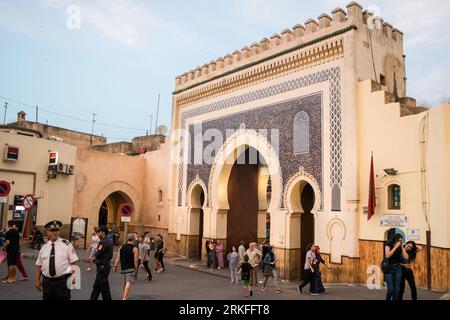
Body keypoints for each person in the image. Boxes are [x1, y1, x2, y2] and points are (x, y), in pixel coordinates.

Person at [35, 220, 79, 300]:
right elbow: (39, 264)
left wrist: (74, 277)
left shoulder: (66, 244)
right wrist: (37, 280)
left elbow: (74, 261)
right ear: (48, 232)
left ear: (59, 231)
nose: (55, 232)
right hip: (47, 282)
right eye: (52, 231)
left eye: (56, 230)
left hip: (62, 281)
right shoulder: (44, 247)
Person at [89, 225, 114, 300]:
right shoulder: (105, 241)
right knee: (97, 287)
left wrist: (95, 259)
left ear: (103, 233)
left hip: (103, 267)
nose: (97, 233)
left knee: (104, 289)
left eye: (98, 232)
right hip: (102, 266)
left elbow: (97, 253)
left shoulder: (105, 242)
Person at [384, 233, 409, 300]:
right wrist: (395, 247)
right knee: (391, 290)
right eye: (399, 240)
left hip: (398, 268)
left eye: (401, 241)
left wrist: (401, 247)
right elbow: (387, 255)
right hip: (389, 268)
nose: (400, 242)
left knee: (396, 290)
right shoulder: (388, 244)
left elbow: (406, 257)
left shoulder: (400, 246)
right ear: (395, 239)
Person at [114, 233, 139, 300]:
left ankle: (125, 295)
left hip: (124, 268)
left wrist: (115, 265)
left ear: (127, 239)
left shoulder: (121, 247)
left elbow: (118, 257)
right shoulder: (135, 248)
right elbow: (136, 260)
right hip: (131, 268)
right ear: (133, 239)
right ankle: (124, 297)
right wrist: (136, 268)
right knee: (128, 282)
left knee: (125, 282)